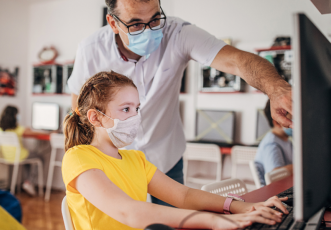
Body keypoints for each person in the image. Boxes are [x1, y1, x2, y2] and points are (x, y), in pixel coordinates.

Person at [67, 0, 293, 206]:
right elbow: (79, 107)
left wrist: (277, 89)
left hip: (166, 156)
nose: (149, 30)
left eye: (155, 19)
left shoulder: (177, 33)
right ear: (113, 23)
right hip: (114, 159)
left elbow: (237, 60)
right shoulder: (91, 49)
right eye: (135, 24)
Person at [62, 71, 289, 230]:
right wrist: (212, 220)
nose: (135, 116)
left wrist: (244, 207)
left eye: (137, 108)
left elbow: (183, 195)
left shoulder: (135, 159)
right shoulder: (78, 158)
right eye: (125, 109)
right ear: (96, 117)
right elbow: (128, 212)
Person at [0, 105, 50, 196]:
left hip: (6, 156)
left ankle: (27, 182)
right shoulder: (17, 129)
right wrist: (50, 132)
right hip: (19, 155)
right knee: (40, 157)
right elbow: (35, 133)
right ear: (14, 116)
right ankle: (29, 182)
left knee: (28, 161)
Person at [254, 100, 293, 186]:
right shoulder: (271, 144)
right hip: (273, 195)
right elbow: (275, 175)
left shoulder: (287, 141)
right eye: (292, 120)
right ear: (277, 123)